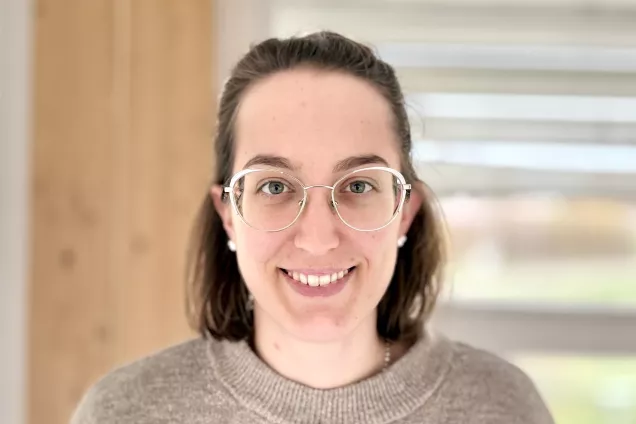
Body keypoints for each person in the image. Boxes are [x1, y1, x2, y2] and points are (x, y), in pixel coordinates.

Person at [71, 31, 554, 424]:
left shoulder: (502, 408)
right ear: (228, 217)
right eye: (276, 187)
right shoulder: (124, 412)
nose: (318, 238)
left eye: (360, 186)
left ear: (405, 212)